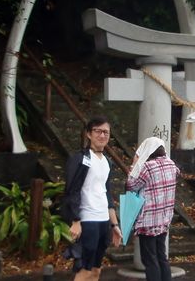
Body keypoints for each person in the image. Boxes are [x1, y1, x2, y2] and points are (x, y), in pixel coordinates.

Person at [62, 116, 122, 281]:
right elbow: (71, 190)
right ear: (88, 134)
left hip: (103, 221)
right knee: (85, 270)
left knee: (96, 270)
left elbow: (107, 193)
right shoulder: (81, 159)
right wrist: (75, 220)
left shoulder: (107, 162)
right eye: (98, 131)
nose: (102, 135)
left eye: (106, 132)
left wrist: (114, 224)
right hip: (87, 220)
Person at [126, 137, 179, 281]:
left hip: (148, 221)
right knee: (162, 257)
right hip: (164, 220)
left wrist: (134, 166)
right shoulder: (172, 165)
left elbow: (131, 186)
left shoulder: (148, 167)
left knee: (150, 260)